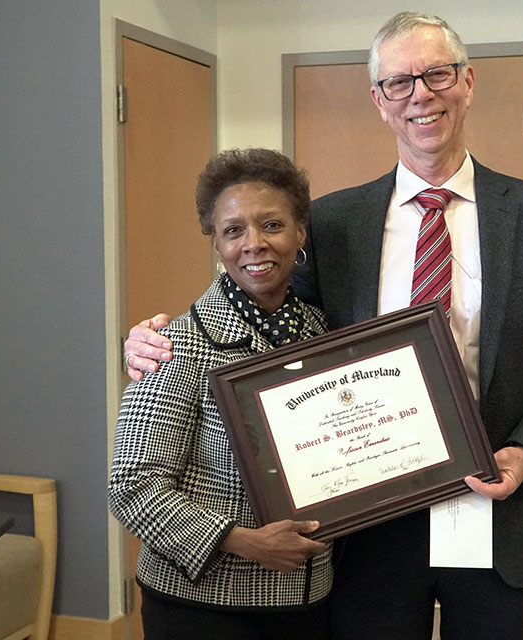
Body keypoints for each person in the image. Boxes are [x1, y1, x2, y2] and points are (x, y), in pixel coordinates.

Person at [123, 12, 523, 640]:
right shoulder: (332, 224)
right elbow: (268, 325)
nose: (421, 94)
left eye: (436, 74)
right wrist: (150, 346)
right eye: (399, 82)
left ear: (466, 82)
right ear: (379, 102)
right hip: (368, 527)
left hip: (504, 515)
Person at [109, 148, 333, 640]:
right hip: (203, 604)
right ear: (216, 243)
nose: (254, 244)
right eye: (233, 230)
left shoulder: (324, 334)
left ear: (300, 234)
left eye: (272, 225)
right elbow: (131, 486)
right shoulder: (176, 345)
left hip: (309, 598)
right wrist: (243, 542)